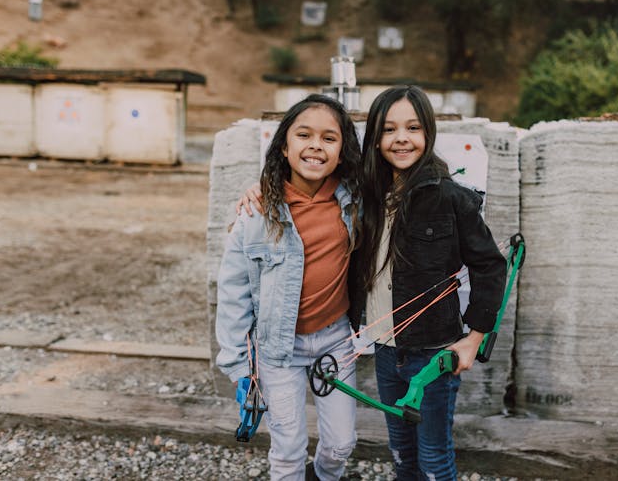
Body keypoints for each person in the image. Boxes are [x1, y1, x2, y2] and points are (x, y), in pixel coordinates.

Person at [237, 85, 507, 480]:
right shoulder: (366, 195)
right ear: (375, 140)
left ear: (428, 133)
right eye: (389, 129)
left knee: (433, 457)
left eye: (413, 128)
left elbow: (490, 266)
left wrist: (475, 335)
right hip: (384, 349)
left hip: (432, 353)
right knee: (400, 452)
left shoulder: (451, 198)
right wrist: (263, 188)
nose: (401, 139)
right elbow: (310, 182)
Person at [216, 94, 362, 481]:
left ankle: (324, 476)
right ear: (284, 145)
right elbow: (233, 293)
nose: (315, 145)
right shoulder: (256, 213)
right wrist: (237, 364)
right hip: (279, 350)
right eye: (304, 135)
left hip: (336, 342)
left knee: (341, 445)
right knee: (287, 449)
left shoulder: (354, 203)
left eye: (329, 138)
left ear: (343, 151)